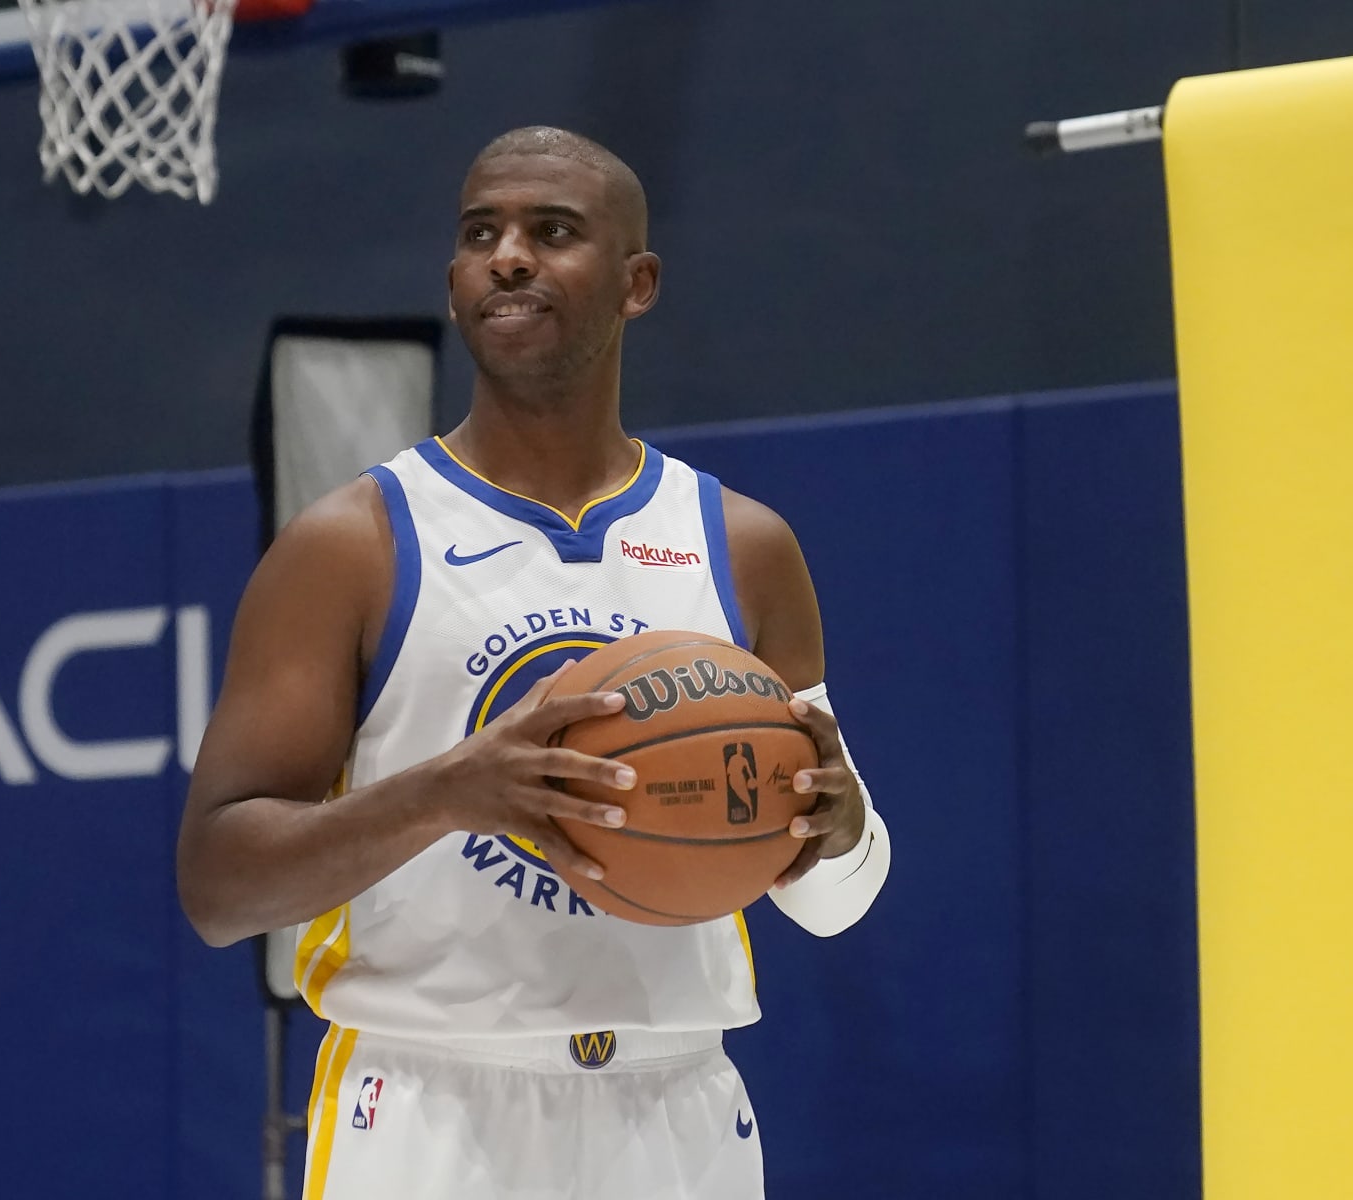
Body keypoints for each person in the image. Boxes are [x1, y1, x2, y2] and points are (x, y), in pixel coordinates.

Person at [178, 126, 890, 1200]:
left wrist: (839, 834)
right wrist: (449, 792)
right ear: (456, 280)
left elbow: (834, 902)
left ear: (636, 283)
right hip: (426, 1112)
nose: (507, 255)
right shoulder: (351, 545)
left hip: (677, 1109)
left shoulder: (743, 545)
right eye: (481, 233)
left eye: (551, 231)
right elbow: (220, 888)